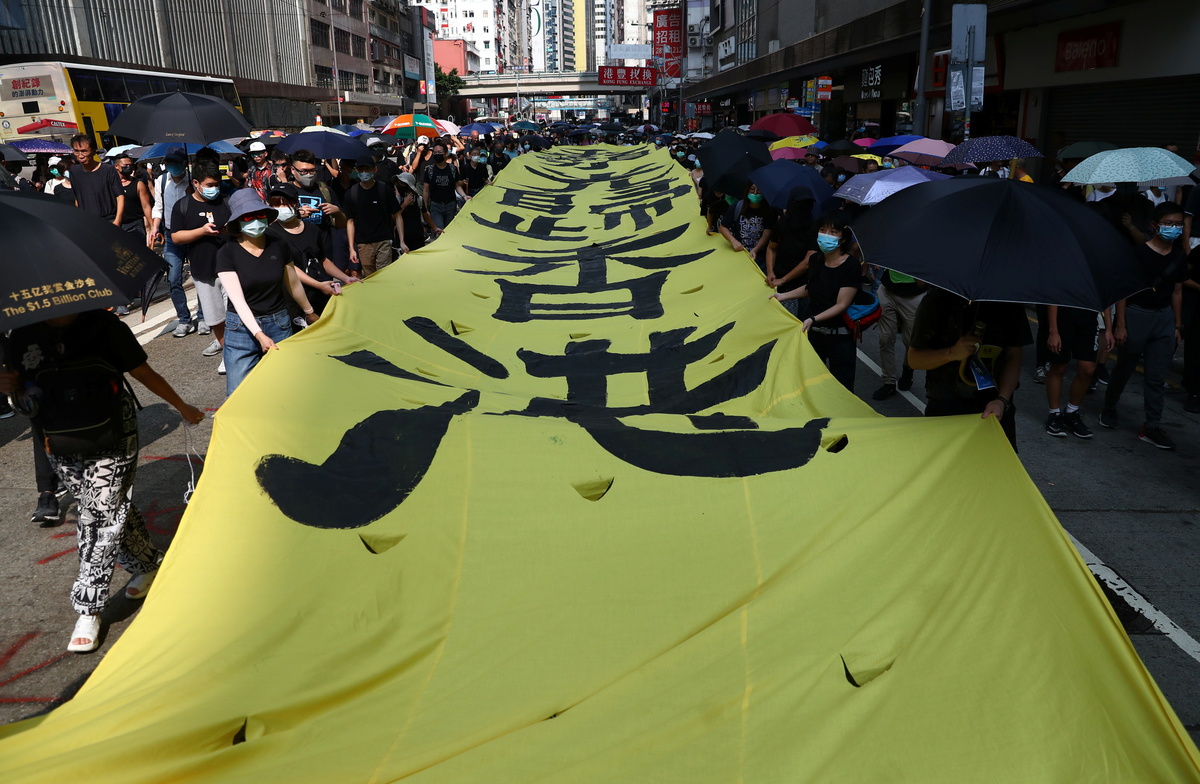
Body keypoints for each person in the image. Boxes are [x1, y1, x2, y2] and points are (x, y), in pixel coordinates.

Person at [0, 309, 203, 652]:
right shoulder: (21, 334)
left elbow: (142, 371)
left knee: (99, 515)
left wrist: (182, 407)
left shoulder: (104, 325)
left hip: (114, 434)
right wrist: (9, 386)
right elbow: (25, 398)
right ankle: (148, 563)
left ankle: (89, 608)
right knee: (106, 508)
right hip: (59, 440)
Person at [1100, 202, 1190, 449]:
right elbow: (1123, 290)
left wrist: (1177, 326)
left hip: (1164, 319)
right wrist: (1120, 324)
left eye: (1178, 224)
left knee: (1156, 376)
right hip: (1136, 315)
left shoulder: (1179, 257)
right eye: (1168, 223)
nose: (1173, 228)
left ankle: (1152, 426)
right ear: (1154, 225)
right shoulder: (1138, 253)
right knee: (1124, 368)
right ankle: (1109, 407)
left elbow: (1177, 292)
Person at [216, 190, 316, 394]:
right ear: (238, 222)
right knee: (239, 393)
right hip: (240, 329)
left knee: (284, 389)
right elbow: (238, 301)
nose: (255, 221)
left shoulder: (279, 245)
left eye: (260, 214)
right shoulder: (226, 253)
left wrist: (310, 312)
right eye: (247, 217)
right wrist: (259, 334)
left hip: (279, 323)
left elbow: (293, 283)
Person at [908, 287, 1032, 450]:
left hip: (995, 410)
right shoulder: (937, 298)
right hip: (946, 406)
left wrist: (1002, 400)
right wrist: (951, 353)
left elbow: (1014, 355)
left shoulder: (1009, 300)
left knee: (996, 464)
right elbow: (914, 359)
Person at [770, 214, 862, 390]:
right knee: (810, 384)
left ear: (843, 238)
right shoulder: (815, 260)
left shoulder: (851, 266)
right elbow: (811, 287)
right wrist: (783, 296)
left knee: (841, 388)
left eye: (833, 232)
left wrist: (813, 319)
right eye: (822, 230)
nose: (826, 235)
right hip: (815, 334)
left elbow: (841, 304)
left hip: (840, 338)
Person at [170, 160, 231, 373]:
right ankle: (228, 354)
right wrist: (202, 231)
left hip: (230, 269)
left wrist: (229, 230)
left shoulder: (226, 202)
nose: (214, 189)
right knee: (216, 317)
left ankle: (238, 353)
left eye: (217, 184)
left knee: (235, 315)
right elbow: (176, 237)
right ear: (196, 183)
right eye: (209, 185)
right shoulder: (183, 206)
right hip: (203, 271)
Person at [266, 182, 353, 316]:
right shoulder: (271, 234)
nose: (281, 208)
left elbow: (322, 260)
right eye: (276, 205)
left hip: (319, 296)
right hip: (292, 302)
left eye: (285, 204)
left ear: (296, 204)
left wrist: (345, 278)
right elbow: (290, 269)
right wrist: (318, 285)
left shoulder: (312, 229)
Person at [150, 149, 201, 338]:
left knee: (200, 277)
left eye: (176, 162)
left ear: (184, 163)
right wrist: (155, 227)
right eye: (169, 163)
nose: (173, 166)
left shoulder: (193, 180)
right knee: (173, 279)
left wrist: (193, 195)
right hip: (172, 236)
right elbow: (158, 207)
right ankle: (184, 320)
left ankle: (204, 316)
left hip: (194, 234)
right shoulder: (161, 181)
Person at [1044, 305, 1112, 438]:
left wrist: (1109, 328)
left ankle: (1071, 412)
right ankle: (1054, 414)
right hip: (1064, 313)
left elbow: (1104, 297)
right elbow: (1054, 297)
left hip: (1089, 317)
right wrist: (1053, 331)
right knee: (1059, 366)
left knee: (1088, 369)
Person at [345, 154, 402, 277]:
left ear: (375, 170)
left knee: (383, 275)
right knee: (370, 277)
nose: (364, 173)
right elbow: (350, 221)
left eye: (367, 169)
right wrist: (351, 248)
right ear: (356, 170)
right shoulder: (352, 193)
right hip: (363, 244)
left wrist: (402, 241)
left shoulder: (384, 190)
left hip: (383, 241)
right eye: (361, 170)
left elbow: (397, 215)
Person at [765, 186, 817, 318]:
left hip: (805, 285)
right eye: (800, 203)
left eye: (807, 203)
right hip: (782, 283)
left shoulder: (815, 227)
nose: (804, 207)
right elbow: (771, 248)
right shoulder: (782, 224)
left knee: (803, 322)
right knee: (785, 320)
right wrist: (770, 272)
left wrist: (783, 279)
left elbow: (807, 262)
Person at [67, 134, 124, 227]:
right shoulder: (74, 172)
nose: (80, 156)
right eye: (76, 151)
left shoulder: (108, 170)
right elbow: (77, 198)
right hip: (87, 223)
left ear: (93, 151)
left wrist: (117, 220)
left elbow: (120, 196)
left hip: (109, 220)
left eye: (84, 151)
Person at [719, 183, 776, 273]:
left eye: (759, 190)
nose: (755, 193)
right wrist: (733, 241)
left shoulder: (769, 210)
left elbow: (767, 234)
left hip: (760, 258)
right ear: (747, 190)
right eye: (752, 189)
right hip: (739, 253)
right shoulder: (737, 207)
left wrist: (756, 249)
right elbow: (723, 227)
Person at [423, 141, 467, 232]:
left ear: (446, 153)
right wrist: (425, 208)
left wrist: (464, 196)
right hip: (436, 205)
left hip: (450, 205)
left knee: (449, 231)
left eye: (440, 152)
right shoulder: (430, 170)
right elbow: (426, 190)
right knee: (439, 231)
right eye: (435, 152)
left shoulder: (452, 169)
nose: (437, 154)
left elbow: (457, 186)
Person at [396, 172, 440, 252]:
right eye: (398, 183)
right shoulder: (397, 200)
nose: (399, 185)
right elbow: (394, 216)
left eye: (402, 183)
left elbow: (425, 215)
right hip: (401, 238)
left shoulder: (419, 199)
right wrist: (404, 204)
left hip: (417, 237)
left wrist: (435, 228)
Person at [114, 154, 152, 240]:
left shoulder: (138, 184)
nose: (128, 167)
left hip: (136, 225)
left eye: (130, 165)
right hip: (117, 225)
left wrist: (152, 226)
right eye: (125, 165)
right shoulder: (111, 185)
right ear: (116, 166)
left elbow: (146, 206)